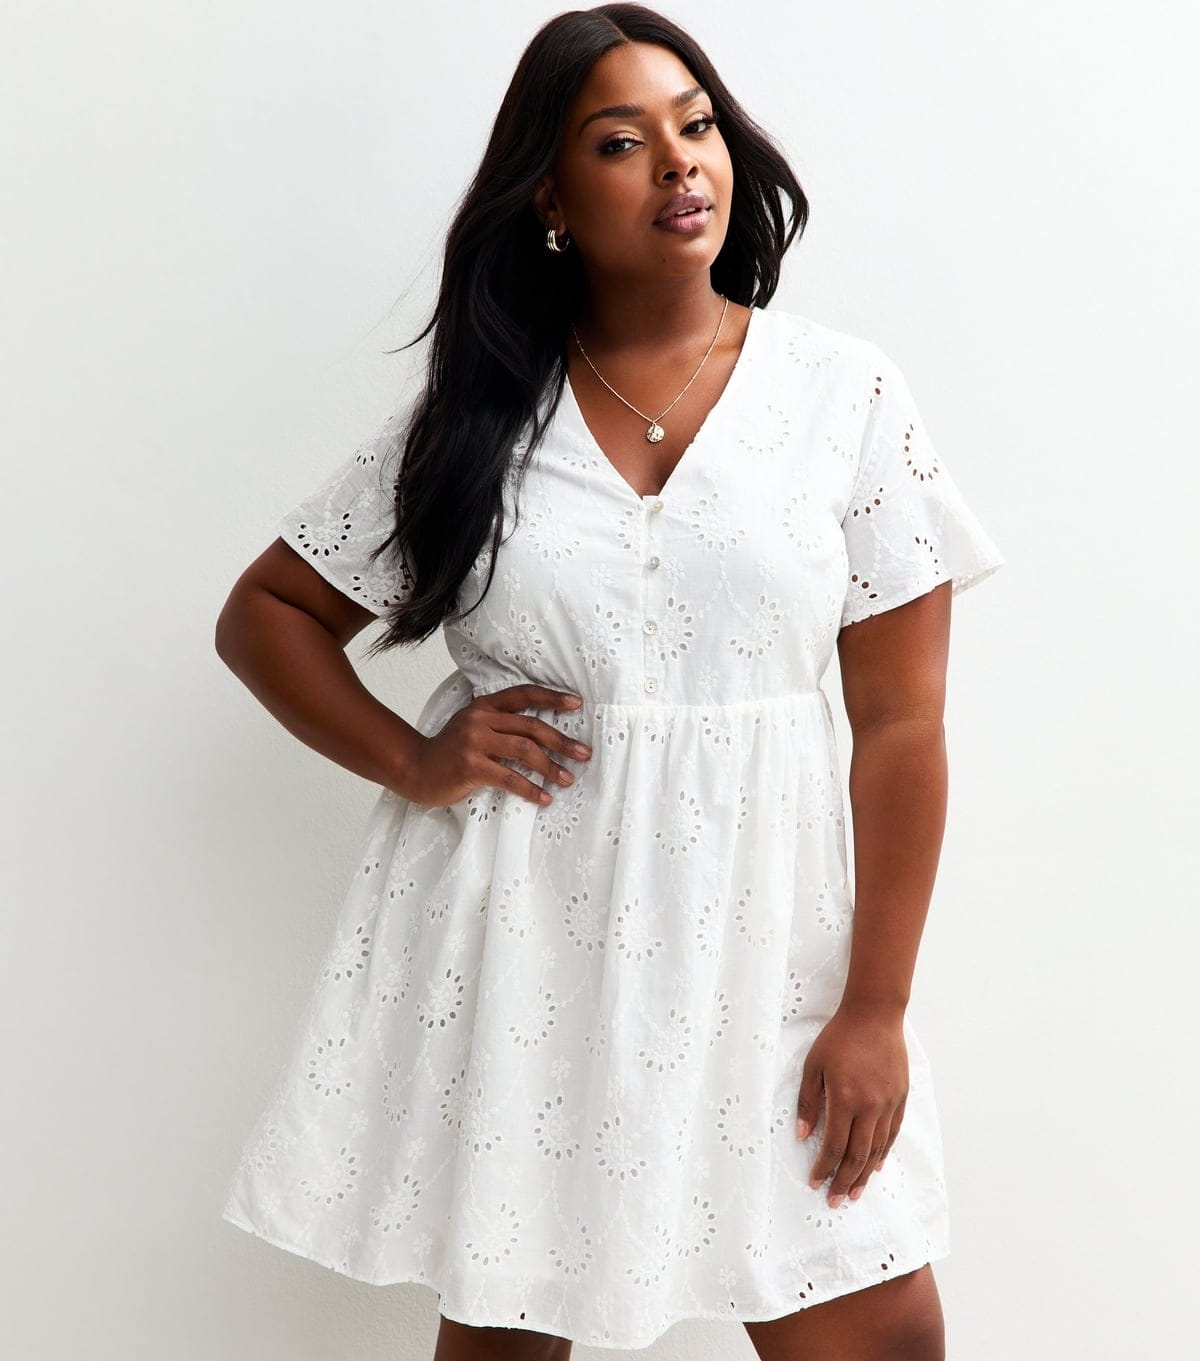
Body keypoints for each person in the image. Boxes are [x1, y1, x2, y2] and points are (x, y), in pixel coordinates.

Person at [216, 6, 1005, 1358]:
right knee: (512, 1332)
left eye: (696, 126)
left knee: (874, 1326)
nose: (680, 162)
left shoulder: (845, 396)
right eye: (622, 142)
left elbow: (901, 725)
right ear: (551, 198)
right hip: (527, 941)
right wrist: (415, 757)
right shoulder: (478, 422)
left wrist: (877, 1004)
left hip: (773, 950)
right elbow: (269, 614)